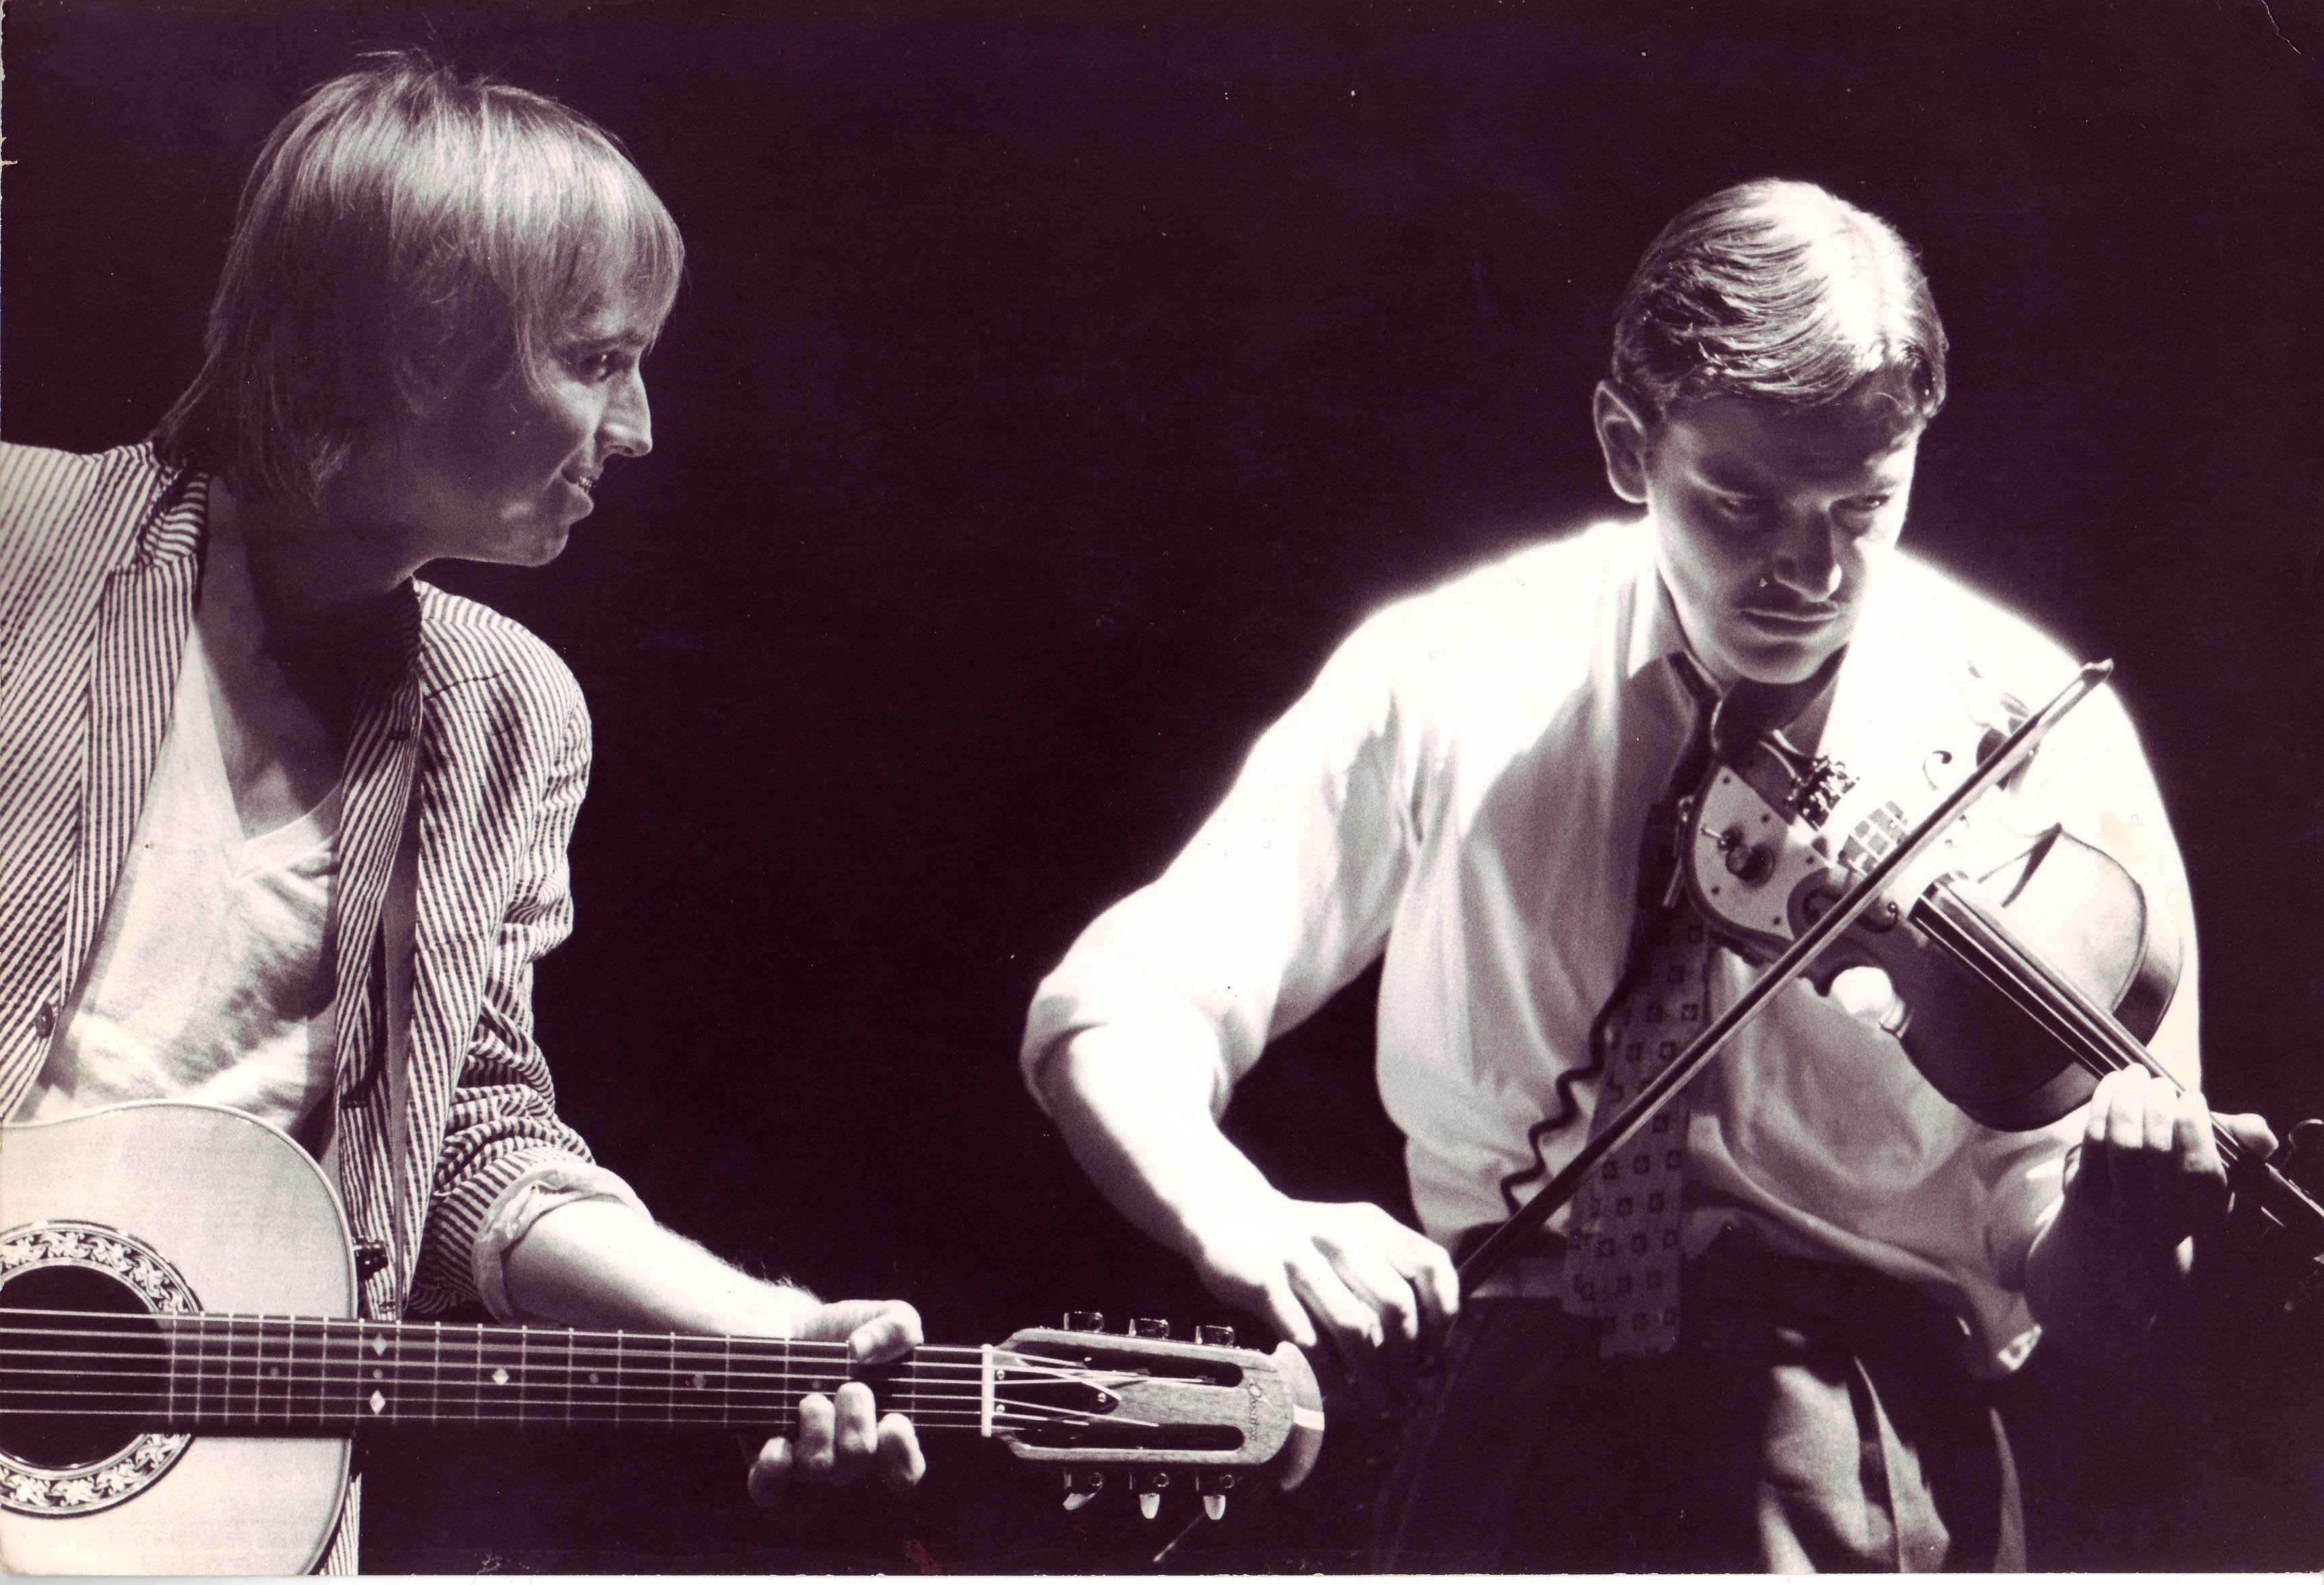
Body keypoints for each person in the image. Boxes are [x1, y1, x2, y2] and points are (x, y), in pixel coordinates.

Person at [1019, 179, 2275, 1570]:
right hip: (1495, 1420)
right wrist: (1237, 1215)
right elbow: (1112, 1006)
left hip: (1856, 1453)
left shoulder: (2036, 730)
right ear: (1627, 443)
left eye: (1864, 503)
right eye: (1739, 501)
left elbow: (2079, 1291)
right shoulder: (1454, 665)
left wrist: (2119, 1202)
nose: (1810, 566)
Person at [0, 53, 921, 1571]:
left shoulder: (507, 711)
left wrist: (772, 1328)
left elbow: (470, 1137)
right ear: (421, 342)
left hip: (203, 1524)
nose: (635, 428)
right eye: (595, 355)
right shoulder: (20, 545)